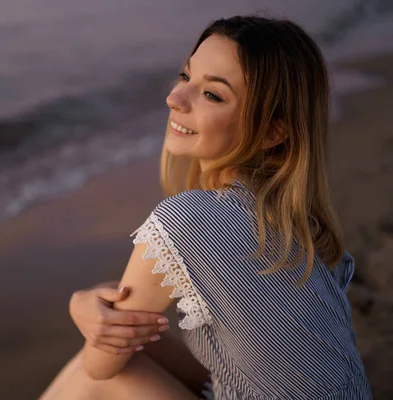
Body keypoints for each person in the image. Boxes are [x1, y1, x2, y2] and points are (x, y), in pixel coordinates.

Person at [40, 15, 372, 400]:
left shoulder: (189, 220)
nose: (174, 99)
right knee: (135, 339)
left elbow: (100, 366)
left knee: (92, 377)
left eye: (212, 94)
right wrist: (100, 310)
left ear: (271, 132)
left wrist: (78, 306)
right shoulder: (294, 221)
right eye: (185, 77)